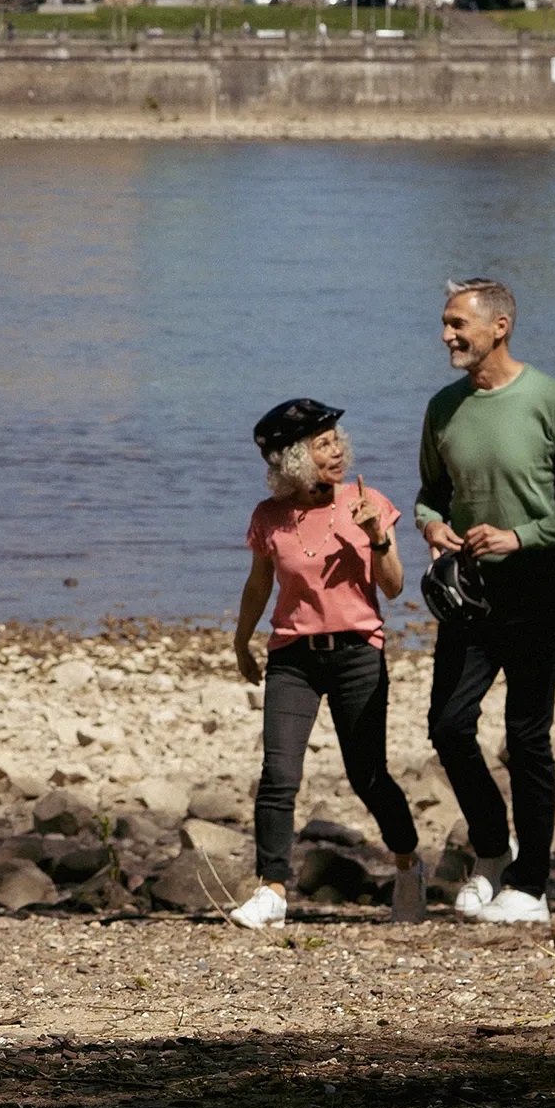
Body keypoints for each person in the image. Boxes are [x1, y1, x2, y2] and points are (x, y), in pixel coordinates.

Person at [415, 277, 555, 925]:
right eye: (446, 323)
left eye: (458, 324)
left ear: (499, 327)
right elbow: (432, 494)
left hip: (539, 588)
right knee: (448, 726)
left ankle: (530, 888)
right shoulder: (444, 408)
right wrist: (431, 526)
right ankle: (494, 852)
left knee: (526, 738)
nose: (446, 335)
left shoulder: (554, 401)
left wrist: (520, 536)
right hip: (470, 592)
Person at [227, 399, 425, 931]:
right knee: (278, 774)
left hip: (358, 655)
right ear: (295, 459)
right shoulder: (269, 517)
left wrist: (376, 535)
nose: (337, 451)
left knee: (369, 776)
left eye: (337, 439)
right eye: (322, 444)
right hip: (293, 658)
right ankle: (271, 891)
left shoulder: (368, 502)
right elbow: (258, 584)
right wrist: (242, 641)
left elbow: (394, 586)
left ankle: (408, 866)